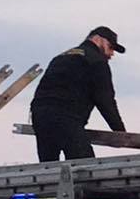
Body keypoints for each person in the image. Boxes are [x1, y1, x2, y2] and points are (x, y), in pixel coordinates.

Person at [29, 26, 125, 161]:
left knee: (49, 169)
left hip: (40, 116)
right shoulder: (96, 61)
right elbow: (105, 100)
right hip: (66, 118)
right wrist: (120, 132)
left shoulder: (60, 57)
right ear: (98, 40)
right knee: (85, 169)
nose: (111, 54)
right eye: (110, 47)